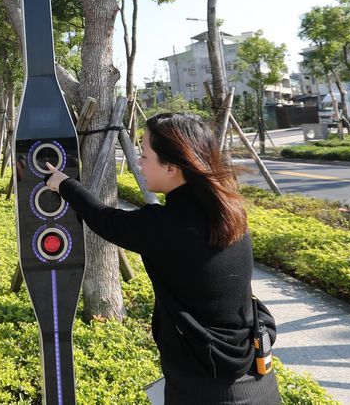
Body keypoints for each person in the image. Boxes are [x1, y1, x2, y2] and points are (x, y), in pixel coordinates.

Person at [44, 112, 281, 404]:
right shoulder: (228, 209)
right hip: (256, 375)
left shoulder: (167, 225)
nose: (139, 164)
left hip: (206, 389)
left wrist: (64, 184)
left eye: (144, 155)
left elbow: (103, 219)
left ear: (171, 167)